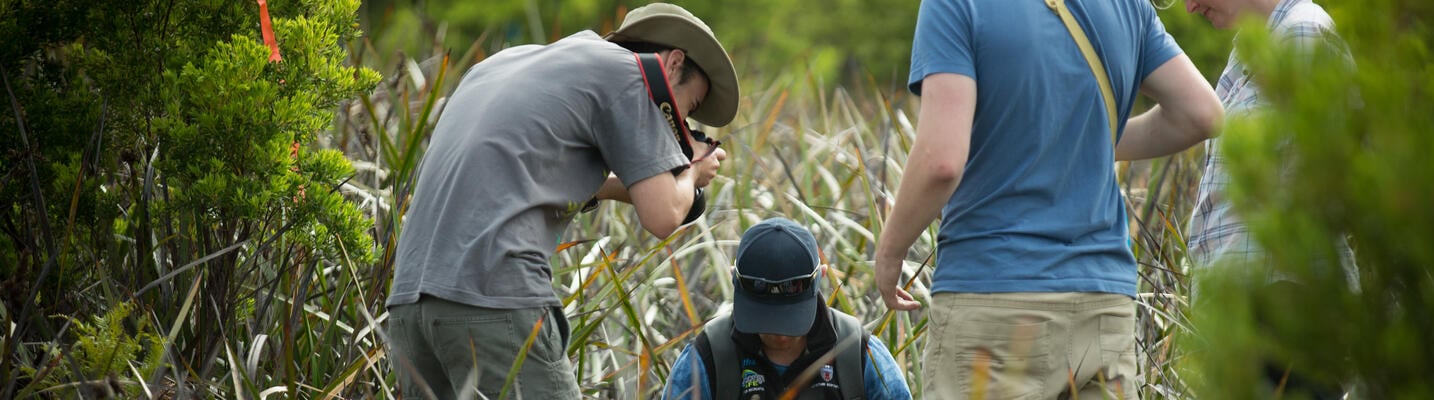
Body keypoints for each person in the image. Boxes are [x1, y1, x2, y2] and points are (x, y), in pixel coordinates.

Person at [871, 0, 1224, 398]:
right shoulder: (1129, 6)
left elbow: (942, 163)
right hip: (1106, 308)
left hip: (996, 304)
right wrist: (1091, 143)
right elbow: (1203, 114)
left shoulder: (954, 5)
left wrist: (889, 251)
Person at [383, 3, 737, 399]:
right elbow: (664, 215)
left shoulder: (504, 66)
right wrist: (692, 167)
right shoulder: (632, 76)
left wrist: (658, 175)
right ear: (672, 64)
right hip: (493, 301)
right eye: (687, 108)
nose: (679, 126)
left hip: (410, 309)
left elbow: (541, 179)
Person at [1182, 0, 1355, 398]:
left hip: (1284, 321)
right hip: (1250, 330)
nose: (1189, 7)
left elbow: (1331, 186)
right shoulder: (1250, 50)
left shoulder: (1305, 34)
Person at [663, 218, 912, 400]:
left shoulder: (859, 354)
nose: (780, 335)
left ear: (821, 278)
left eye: (792, 320)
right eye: (764, 320)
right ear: (733, 279)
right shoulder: (707, 357)